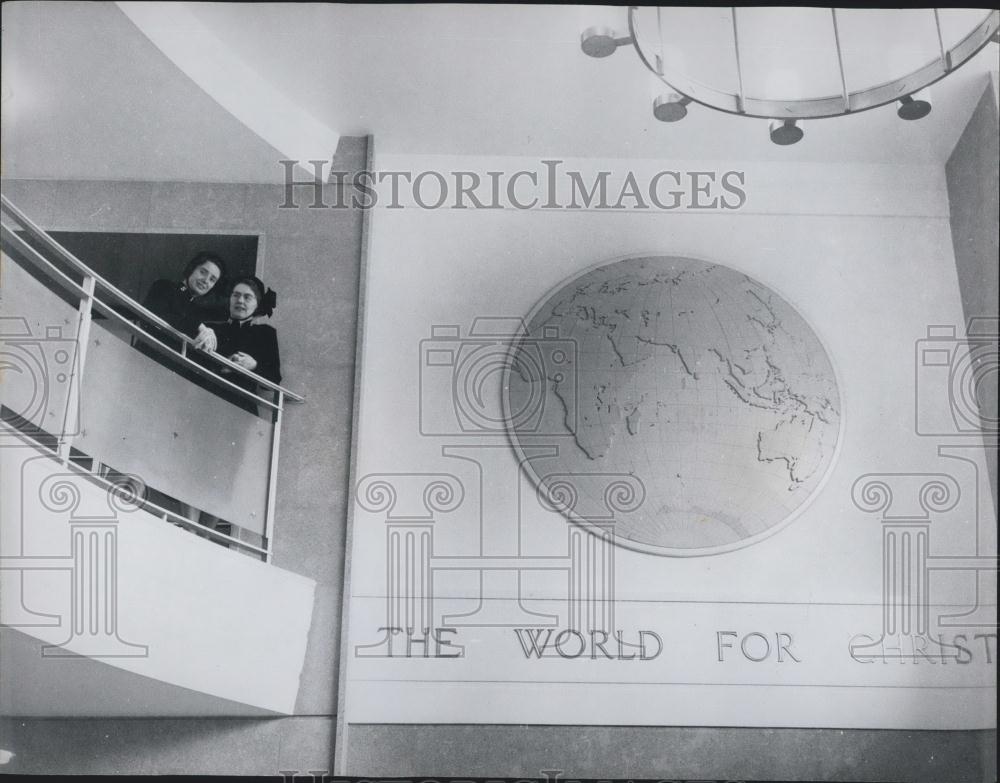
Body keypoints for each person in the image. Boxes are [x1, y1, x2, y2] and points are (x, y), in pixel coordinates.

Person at [205, 275, 282, 404]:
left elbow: (274, 379)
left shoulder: (265, 333)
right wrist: (222, 367)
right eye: (235, 295)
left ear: (257, 304)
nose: (240, 300)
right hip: (207, 398)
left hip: (242, 406)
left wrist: (253, 365)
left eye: (247, 297)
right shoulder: (210, 328)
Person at [141, 252, 227, 351]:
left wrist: (208, 333)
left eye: (212, 279)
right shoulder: (165, 286)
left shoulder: (196, 310)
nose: (206, 281)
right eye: (203, 272)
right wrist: (198, 326)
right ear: (191, 269)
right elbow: (155, 315)